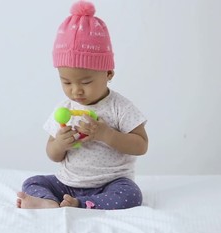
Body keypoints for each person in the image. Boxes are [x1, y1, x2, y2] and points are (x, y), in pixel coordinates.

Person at [16, 0, 148, 210]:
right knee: (32, 182)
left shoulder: (119, 107)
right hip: (68, 184)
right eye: (66, 82)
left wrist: (107, 135)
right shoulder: (65, 109)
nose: (76, 90)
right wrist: (60, 144)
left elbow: (141, 145)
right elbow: (52, 153)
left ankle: (83, 204)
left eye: (86, 82)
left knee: (131, 194)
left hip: (110, 184)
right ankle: (50, 202)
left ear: (108, 73)